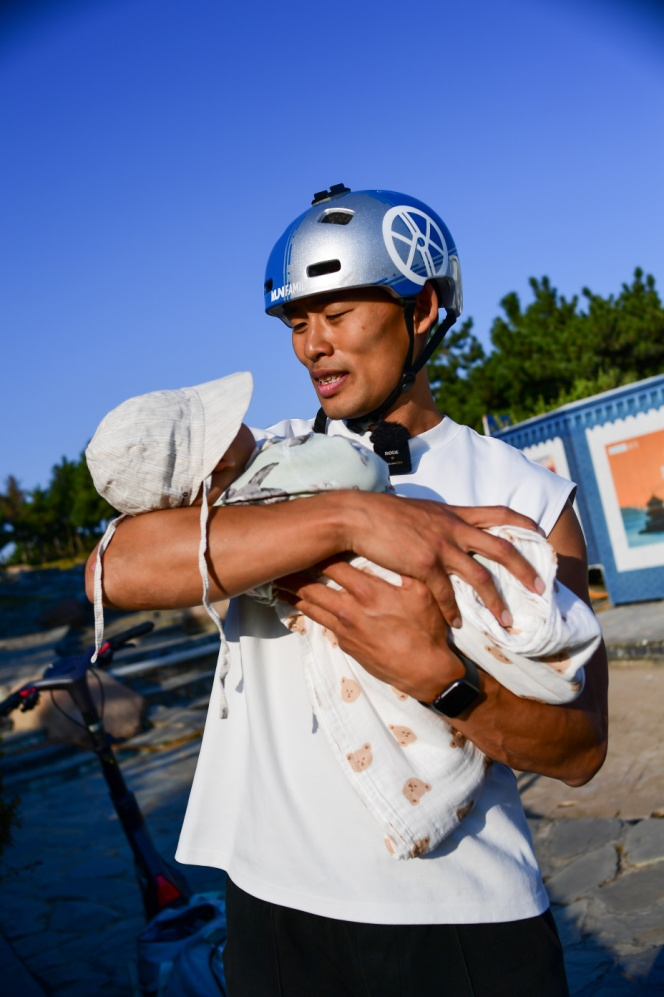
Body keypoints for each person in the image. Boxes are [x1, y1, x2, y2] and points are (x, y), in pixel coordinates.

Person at [87, 185, 608, 995]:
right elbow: (113, 569)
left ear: (423, 310)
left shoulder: (530, 498)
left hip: (466, 923)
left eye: (338, 314)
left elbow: (579, 749)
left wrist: (444, 681)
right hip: (274, 912)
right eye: (298, 323)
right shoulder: (264, 464)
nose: (312, 346)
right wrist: (354, 518)